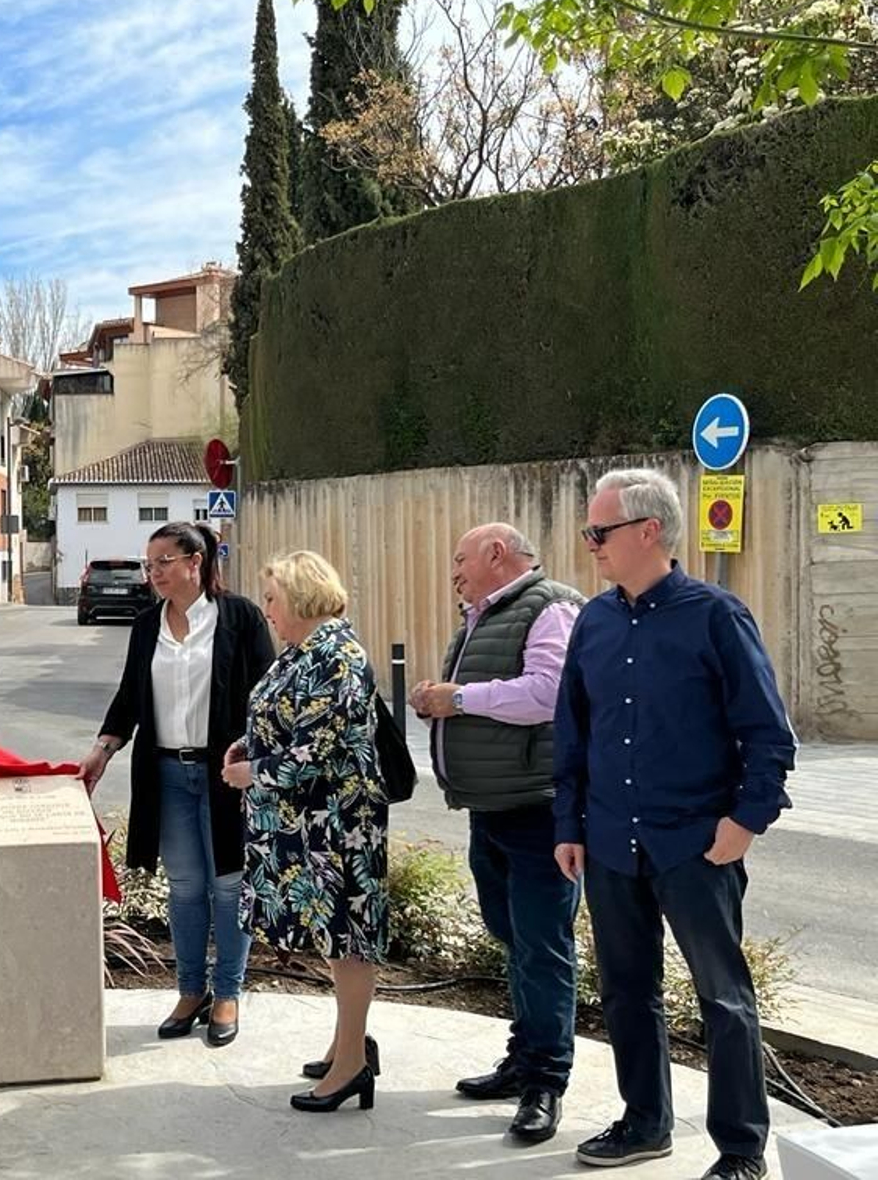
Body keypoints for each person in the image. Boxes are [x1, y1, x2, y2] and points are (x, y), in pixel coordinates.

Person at [554, 469, 795, 1180]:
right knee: (627, 991)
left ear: (648, 531)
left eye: (600, 531)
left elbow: (768, 734)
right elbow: (574, 734)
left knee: (723, 998)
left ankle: (741, 1149)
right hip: (609, 843)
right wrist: (570, 823)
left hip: (696, 844)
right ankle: (645, 1122)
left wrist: (744, 824)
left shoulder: (716, 616)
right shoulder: (593, 621)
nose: (590, 544)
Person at [410, 523, 583, 1145]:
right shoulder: (486, 615)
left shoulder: (549, 607)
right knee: (515, 942)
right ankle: (523, 1057)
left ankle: (545, 1081)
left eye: (460, 558)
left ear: (496, 554)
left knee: (543, 947)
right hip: (494, 810)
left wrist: (455, 699)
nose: (453, 570)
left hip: (539, 813)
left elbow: (549, 693)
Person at [78, 522, 274, 1048]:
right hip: (165, 772)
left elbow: (265, 695)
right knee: (186, 887)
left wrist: (253, 759)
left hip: (224, 774)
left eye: (163, 561)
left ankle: (228, 991)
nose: (154, 573)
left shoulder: (239, 618)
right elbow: (129, 696)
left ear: (195, 561)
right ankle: (191, 991)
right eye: (150, 564)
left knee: (230, 884)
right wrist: (103, 749)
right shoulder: (147, 626)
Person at [223, 550, 389, 1113]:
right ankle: (347, 1045)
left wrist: (253, 773)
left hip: (338, 823)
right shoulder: (301, 652)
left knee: (348, 939)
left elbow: (316, 751)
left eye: (272, 598)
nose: (266, 609)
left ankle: (352, 1066)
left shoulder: (337, 654)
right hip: (307, 823)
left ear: (300, 596)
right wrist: (247, 747)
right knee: (334, 939)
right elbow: (281, 722)